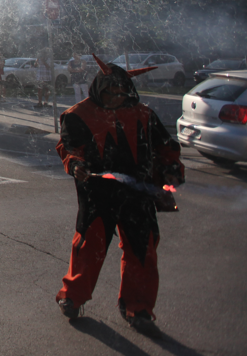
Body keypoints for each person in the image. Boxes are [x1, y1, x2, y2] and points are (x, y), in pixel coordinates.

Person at [54, 58, 184, 331]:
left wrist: (172, 170)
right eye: (109, 93)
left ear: (129, 91)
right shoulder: (79, 114)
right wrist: (77, 165)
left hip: (138, 196)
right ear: (99, 89)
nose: (114, 98)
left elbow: (166, 146)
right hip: (98, 195)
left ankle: (138, 308)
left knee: (143, 251)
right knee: (89, 247)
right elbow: (69, 147)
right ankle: (73, 297)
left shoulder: (144, 114)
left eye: (120, 93)